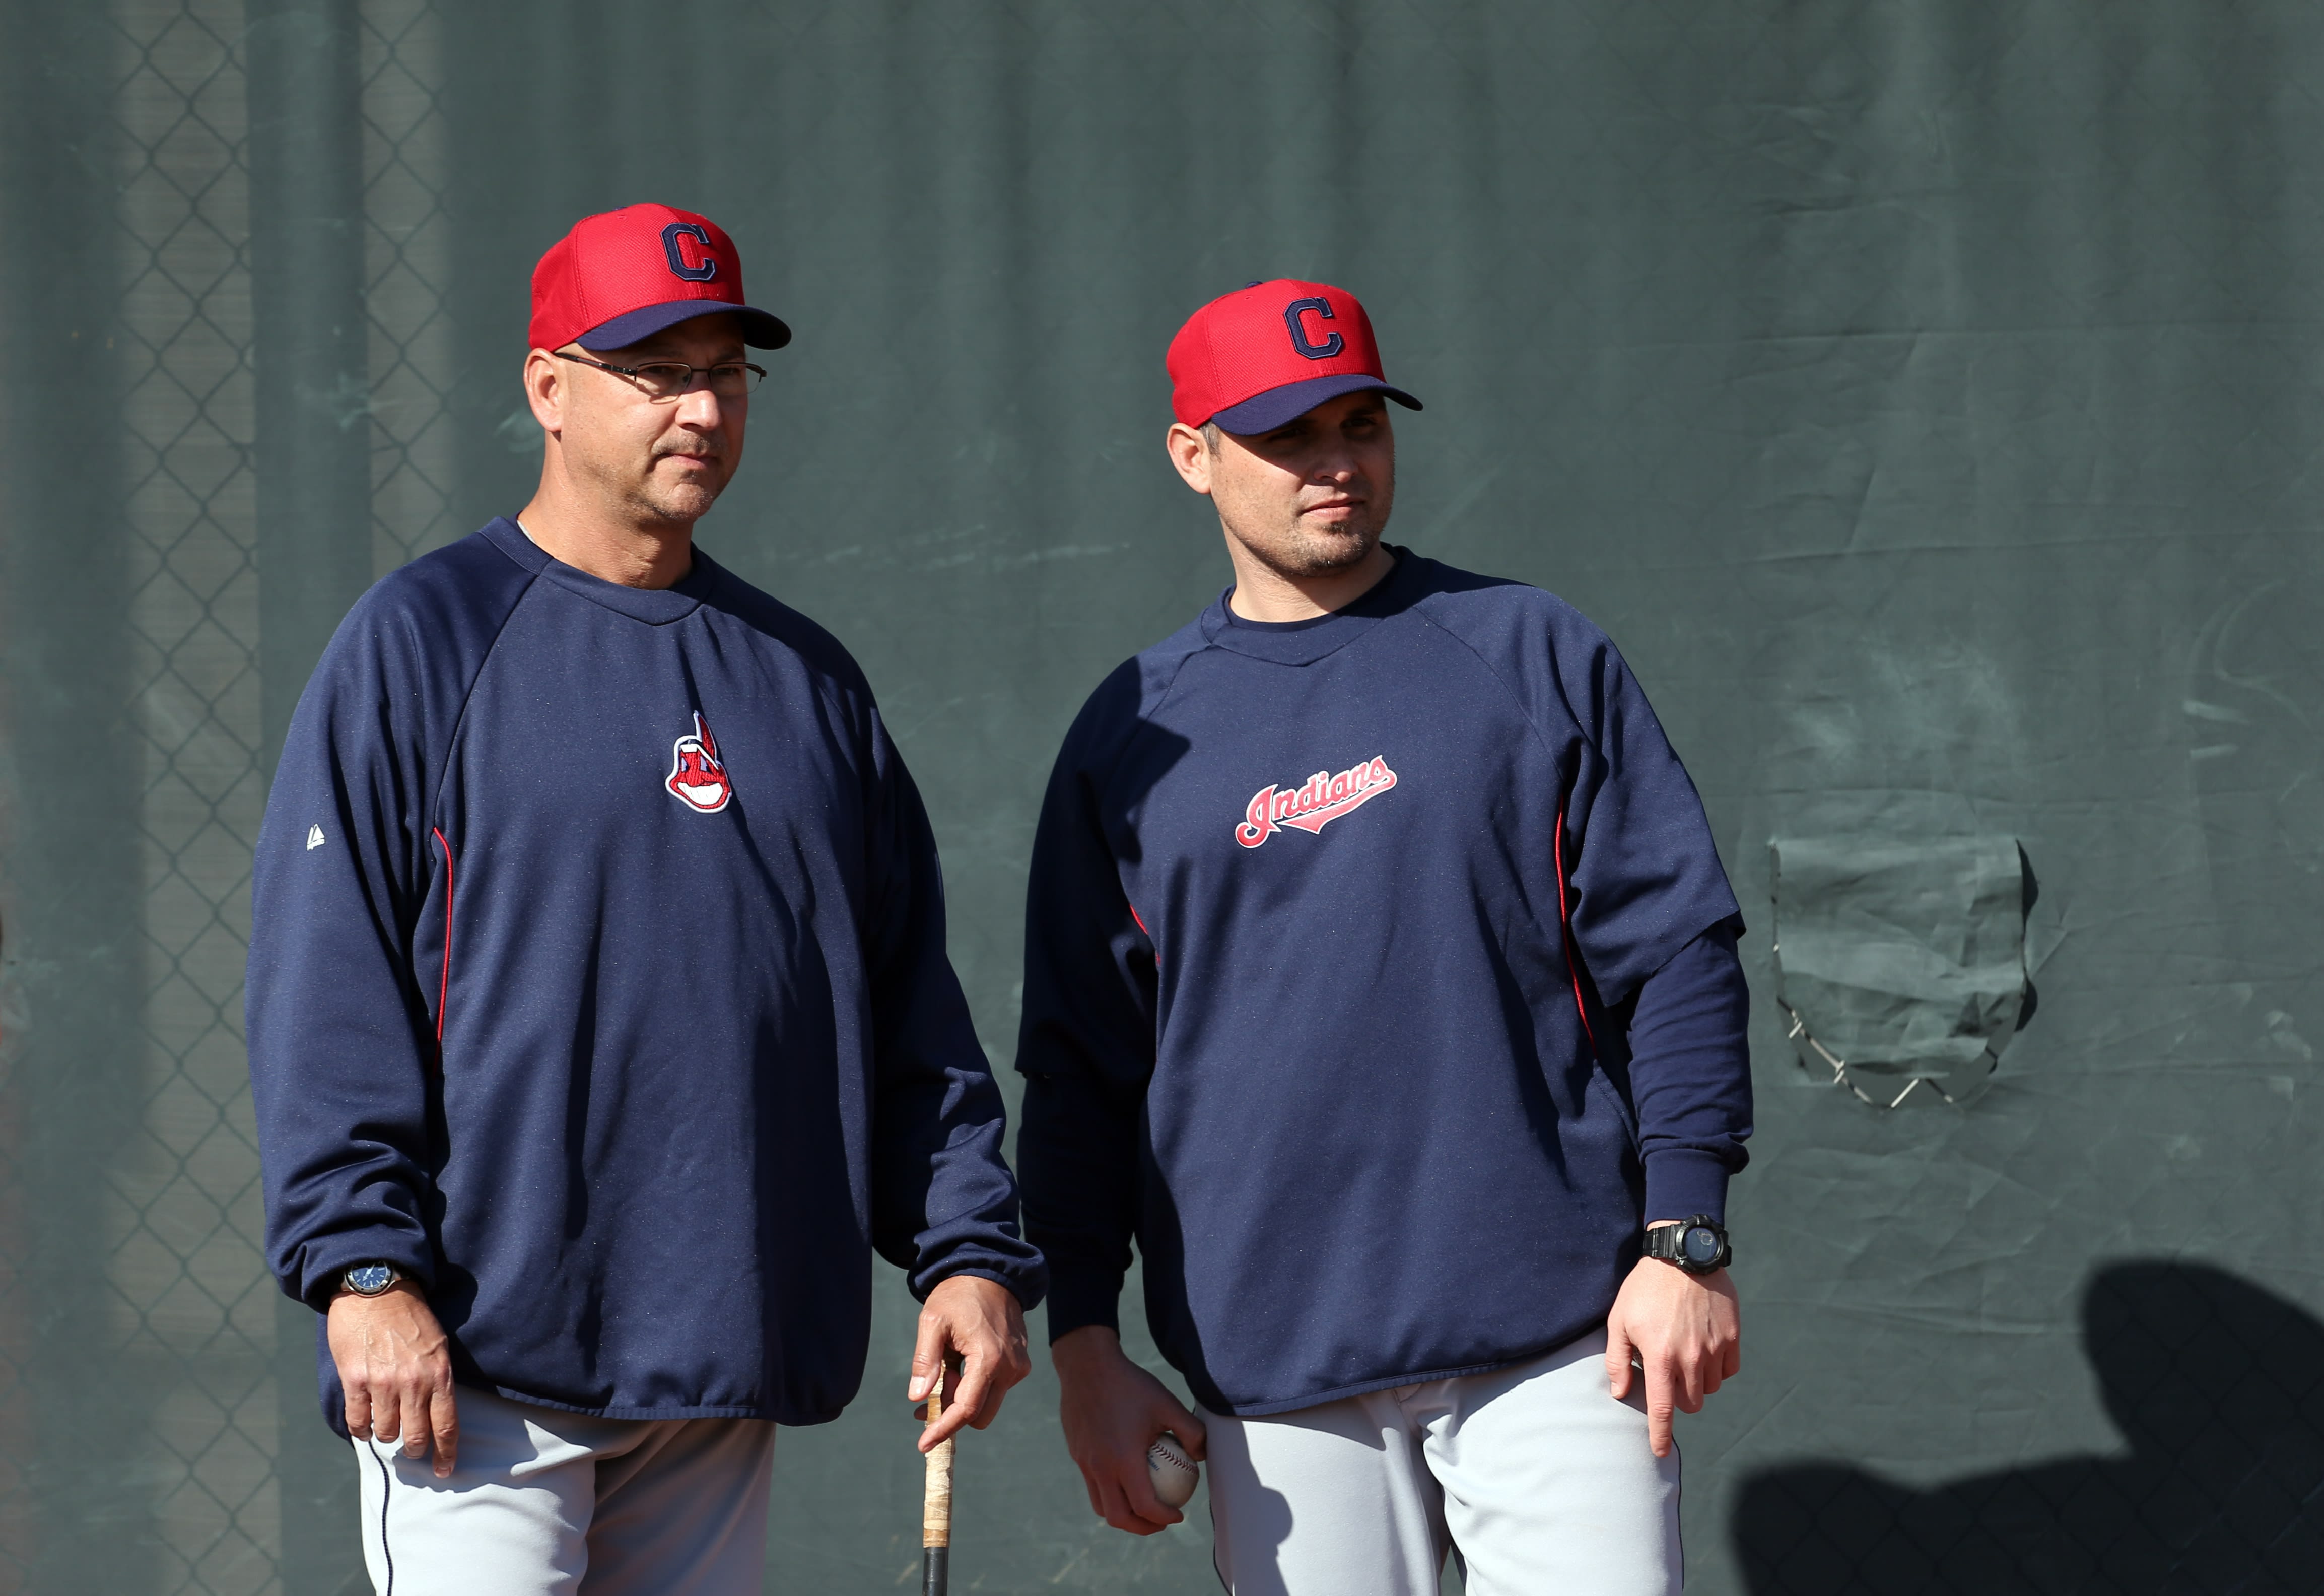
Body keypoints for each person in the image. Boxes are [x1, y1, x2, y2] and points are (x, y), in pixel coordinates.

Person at [246, 203, 1043, 1594]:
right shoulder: (423, 641)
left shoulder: (805, 681)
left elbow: (904, 1003)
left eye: (725, 372)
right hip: (474, 1366)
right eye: (656, 370)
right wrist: (365, 1271)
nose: (701, 408)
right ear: (548, 387)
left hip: (719, 1360)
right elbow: (328, 982)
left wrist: (967, 1250)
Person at [1014, 279, 1752, 1595]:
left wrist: (1684, 1232)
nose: (1337, 463)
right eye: (1288, 435)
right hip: (1275, 1364)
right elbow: (1083, 1068)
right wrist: (1084, 1344)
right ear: (1193, 456)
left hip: (1559, 1335)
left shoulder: (1528, 651)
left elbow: (1677, 950)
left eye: (1360, 424)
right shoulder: (1133, 731)